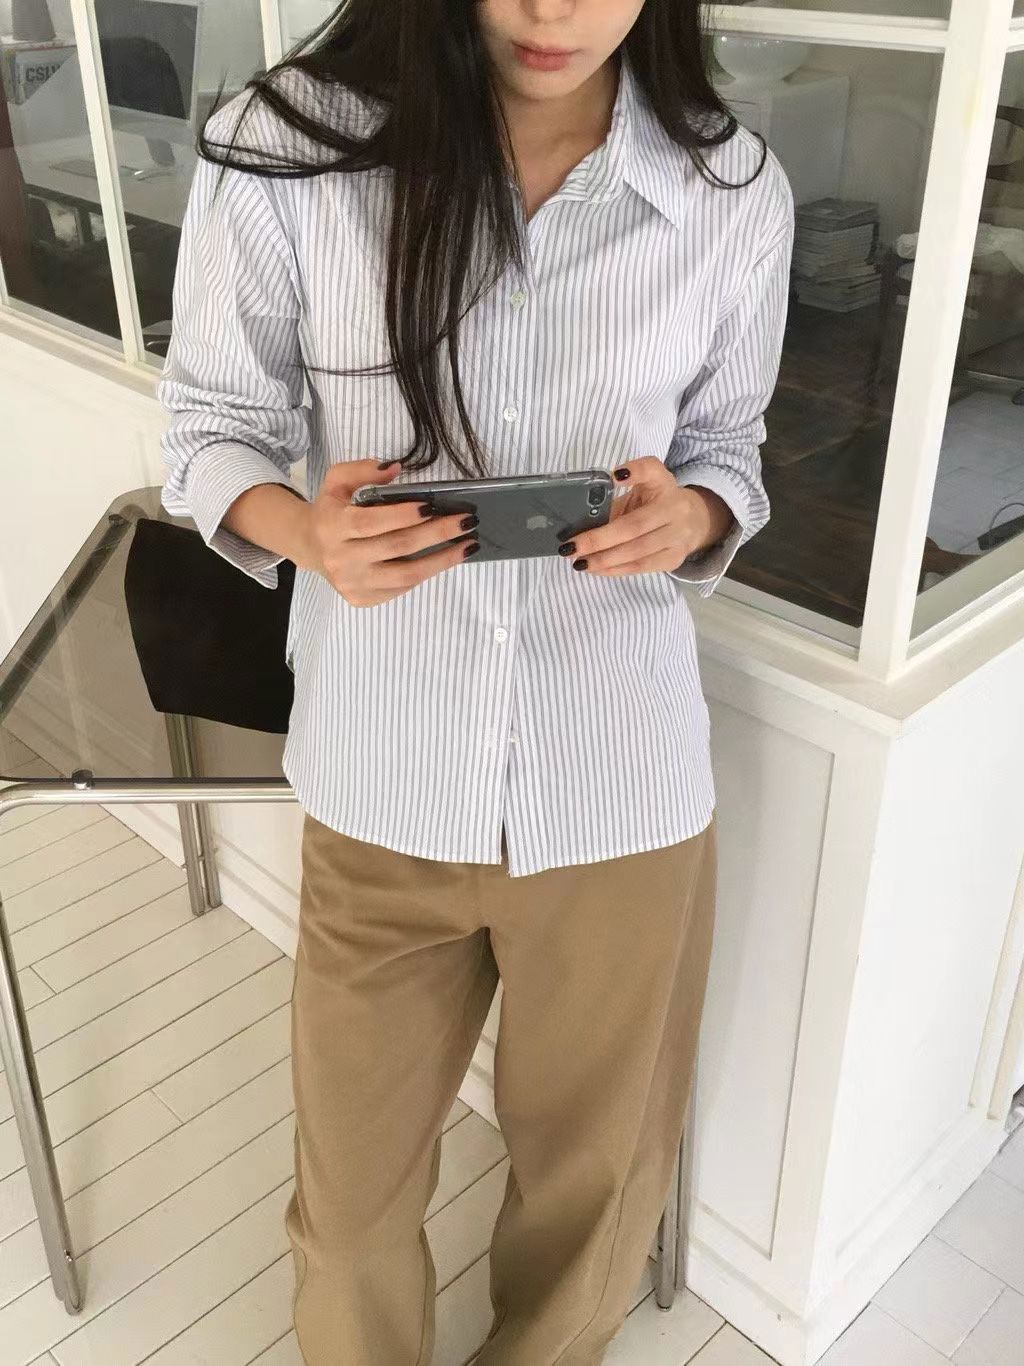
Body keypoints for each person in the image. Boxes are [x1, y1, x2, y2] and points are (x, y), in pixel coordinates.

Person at [157, 1, 794, 1361]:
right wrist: (306, 531)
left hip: (617, 786)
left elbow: (729, 445)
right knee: (348, 1205)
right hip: (382, 776)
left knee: (592, 1183)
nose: (553, 10)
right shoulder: (292, 149)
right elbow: (209, 424)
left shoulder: (728, 188)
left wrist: (689, 514)